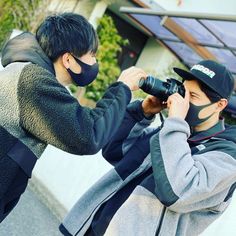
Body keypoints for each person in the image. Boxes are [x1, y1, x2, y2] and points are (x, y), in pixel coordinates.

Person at [60, 60, 236, 236]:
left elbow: (177, 192)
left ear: (219, 105)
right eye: (183, 92)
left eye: (193, 96)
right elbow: (113, 150)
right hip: (92, 229)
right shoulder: (171, 134)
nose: (183, 101)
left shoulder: (226, 155)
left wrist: (175, 124)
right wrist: (142, 112)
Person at [0, 12, 146, 222]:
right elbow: (87, 135)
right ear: (68, 59)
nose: (95, 62)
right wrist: (123, 89)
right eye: (92, 55)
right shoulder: (33, 82)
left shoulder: (24, 71)